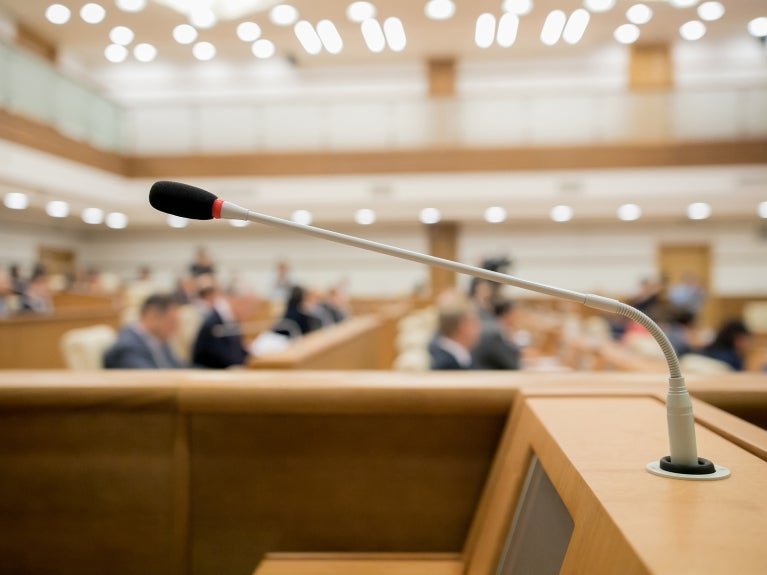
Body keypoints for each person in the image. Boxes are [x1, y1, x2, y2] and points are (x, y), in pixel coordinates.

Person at [103, 293, 184, 369]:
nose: (175, 330)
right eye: (172, 322)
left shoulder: (158, 339)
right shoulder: (128, 348)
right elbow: (150, 380)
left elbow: (178, 367)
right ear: (152, 316)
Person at [193, 288, 258, 368]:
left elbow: (237, 351)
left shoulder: (229, 318)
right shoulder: (215, 323)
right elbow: (224, 358)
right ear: (238, 302)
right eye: (250, 306)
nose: (251, 312)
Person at [429, 296, 481, 370]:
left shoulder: (460, 357)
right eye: (474, 323)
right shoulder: (445, 365)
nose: (479, 328)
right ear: (463, 326)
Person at [471, 299, 521, 370]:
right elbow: (510, 364)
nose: (517, 317)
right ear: (507, 313)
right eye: (515, 314)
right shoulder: (495, 332)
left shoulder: (495, 327)